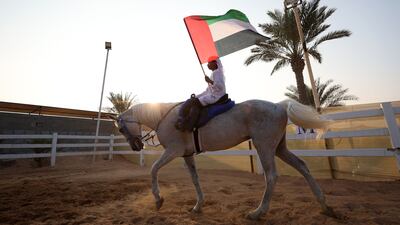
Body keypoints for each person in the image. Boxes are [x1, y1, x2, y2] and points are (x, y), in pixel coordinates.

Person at [175, 57, 226, 131]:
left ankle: (181, 120)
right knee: (194, 106)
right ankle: (190, 125)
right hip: (212, 95)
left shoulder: (217, 72)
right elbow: (208, 91)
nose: (207, 65)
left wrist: (210, 81)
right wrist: (197, 96)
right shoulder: (215, 73)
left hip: (216, 96)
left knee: (189, 102)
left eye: (209, 63)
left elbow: (220, 87)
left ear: (215, 63)